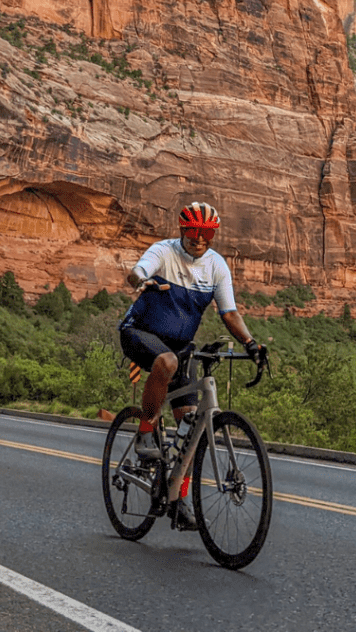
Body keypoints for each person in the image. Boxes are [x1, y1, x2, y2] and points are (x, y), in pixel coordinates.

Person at [119, 201, 261, 531]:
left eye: (207, 233)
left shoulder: (216, 265)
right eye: (194, 231)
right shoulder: (163, 252)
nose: (200, 238)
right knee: (165, 362)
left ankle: (178, 500)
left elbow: (229, 314)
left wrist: (251, 344)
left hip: (181, 348)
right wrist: (139, 280)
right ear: (183, 230)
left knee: (191, 429)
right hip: (139, 332)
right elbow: (139, 270)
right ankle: (144, 434)